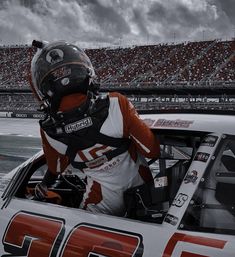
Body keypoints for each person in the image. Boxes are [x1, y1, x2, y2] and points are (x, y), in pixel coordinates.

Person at [30, 39, 160, 216]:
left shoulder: (49, 131)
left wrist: (44, 184)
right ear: (85, 70)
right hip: (144, 188)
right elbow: (152, 151)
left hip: (101, 202)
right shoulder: (116, 104)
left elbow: (57, 169)